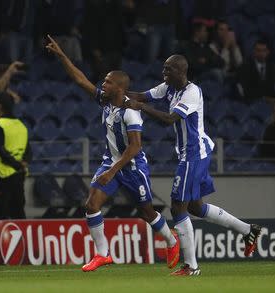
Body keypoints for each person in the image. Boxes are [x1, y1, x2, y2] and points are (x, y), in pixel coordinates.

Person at [46, 35, 179, 272]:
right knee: (91, 204)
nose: (102, 85)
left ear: (120, 88)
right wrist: (62, 56)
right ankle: (102, 254)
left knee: (146, 211)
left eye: (107, 82)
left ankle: (171, 240)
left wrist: (113, 171)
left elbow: (135, 147)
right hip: (111, 163)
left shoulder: (130, 112)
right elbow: (80, 80)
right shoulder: (106, 101)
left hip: (132, 167)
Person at [125, 55, 262, 276]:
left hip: (193, 154)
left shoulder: (192, 92)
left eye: (168, 70)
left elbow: (170, 118)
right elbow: (142, 95)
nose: (164, 73)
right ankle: (248, 230)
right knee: (195, 207)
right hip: (191, 154)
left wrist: (139, 107)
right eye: (164, 69)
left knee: (177, 206)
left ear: (181, 71)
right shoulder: (169, 87)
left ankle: (191, 267)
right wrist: (117, 96)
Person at [0, 92, 30, 220]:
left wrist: (15, 164)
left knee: (0, 215)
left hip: (2, 176)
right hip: (19, 175)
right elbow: (29, 151)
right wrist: (22, 164)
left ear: (0, 106)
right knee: (19, 212)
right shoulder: (22, 126)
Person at [237, 39, 275, 103]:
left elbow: (274, 88)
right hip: (252, 102)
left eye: (264, 50)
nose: (261, 53)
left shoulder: (272, 67)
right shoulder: (245, 67)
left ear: (268, 52)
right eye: (258, 50)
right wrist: (264, 98)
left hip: (271, 102)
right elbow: (246, 90)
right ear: (254, 51)